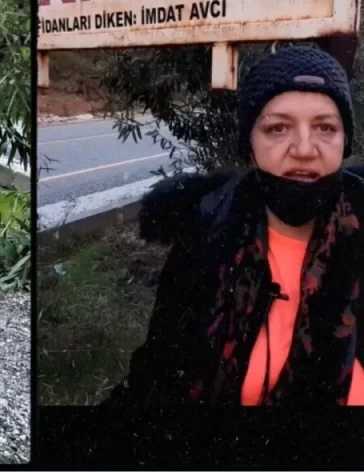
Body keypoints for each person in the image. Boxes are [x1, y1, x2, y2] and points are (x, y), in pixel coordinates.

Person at [105, 46, 364, 407]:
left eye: (325, 127)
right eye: (278, 127)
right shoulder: (206, 238)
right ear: (250, 146)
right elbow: (156, 375)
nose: (304, 148)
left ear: (344, 142)